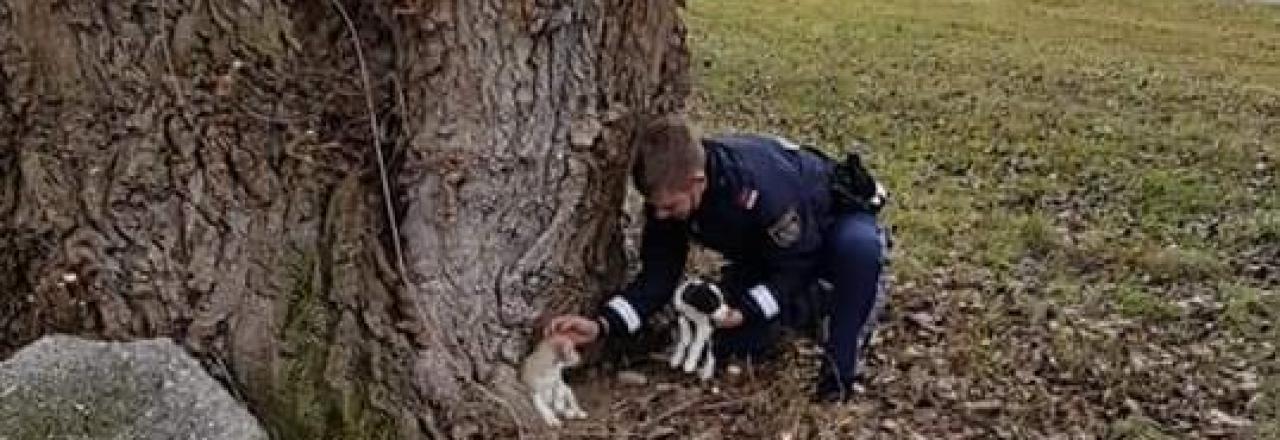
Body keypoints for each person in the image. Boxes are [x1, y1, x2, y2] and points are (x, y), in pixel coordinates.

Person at [547, 114, 890, 402]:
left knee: (857, 252)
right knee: (731, 345)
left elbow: (797, 263)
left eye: (669, 207)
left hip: (830, 230)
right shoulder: (670, 200)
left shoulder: (758, 189)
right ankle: (810, 308)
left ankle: (839, 370)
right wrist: (602, 325)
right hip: (769, 255)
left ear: (697, 182)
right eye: (655, 208)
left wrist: (747, 310)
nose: (661, 216)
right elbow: (658, 277)